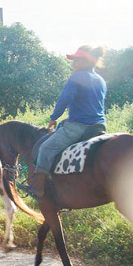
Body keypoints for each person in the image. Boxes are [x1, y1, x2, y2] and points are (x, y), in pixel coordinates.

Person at [29, 45, 107, 198]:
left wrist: (54, 117)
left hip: (79, 127)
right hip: (99, 125)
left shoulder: (76, 77)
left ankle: (38, 188)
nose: (73, 63)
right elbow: (92, 105)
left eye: (76, 60)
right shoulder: (101, 80)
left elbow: (64, 99)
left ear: (86, 61)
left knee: (45, 148)